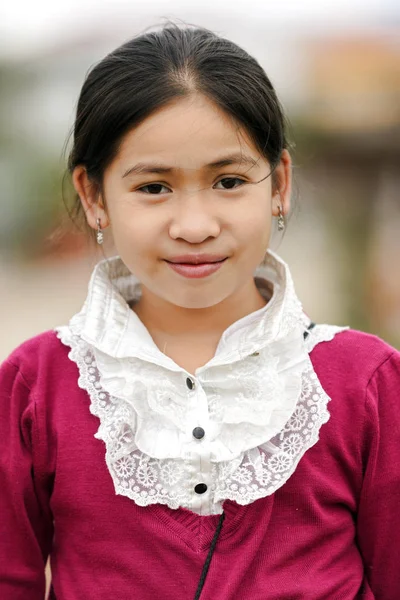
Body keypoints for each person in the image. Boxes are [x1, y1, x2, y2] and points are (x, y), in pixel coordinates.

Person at [0, 22, 399, 600]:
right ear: (93, 196)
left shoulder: (368, 384)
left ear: (280, 183)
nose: (194, 226)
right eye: (154, 188)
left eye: (229, 181)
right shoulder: (35, 390)